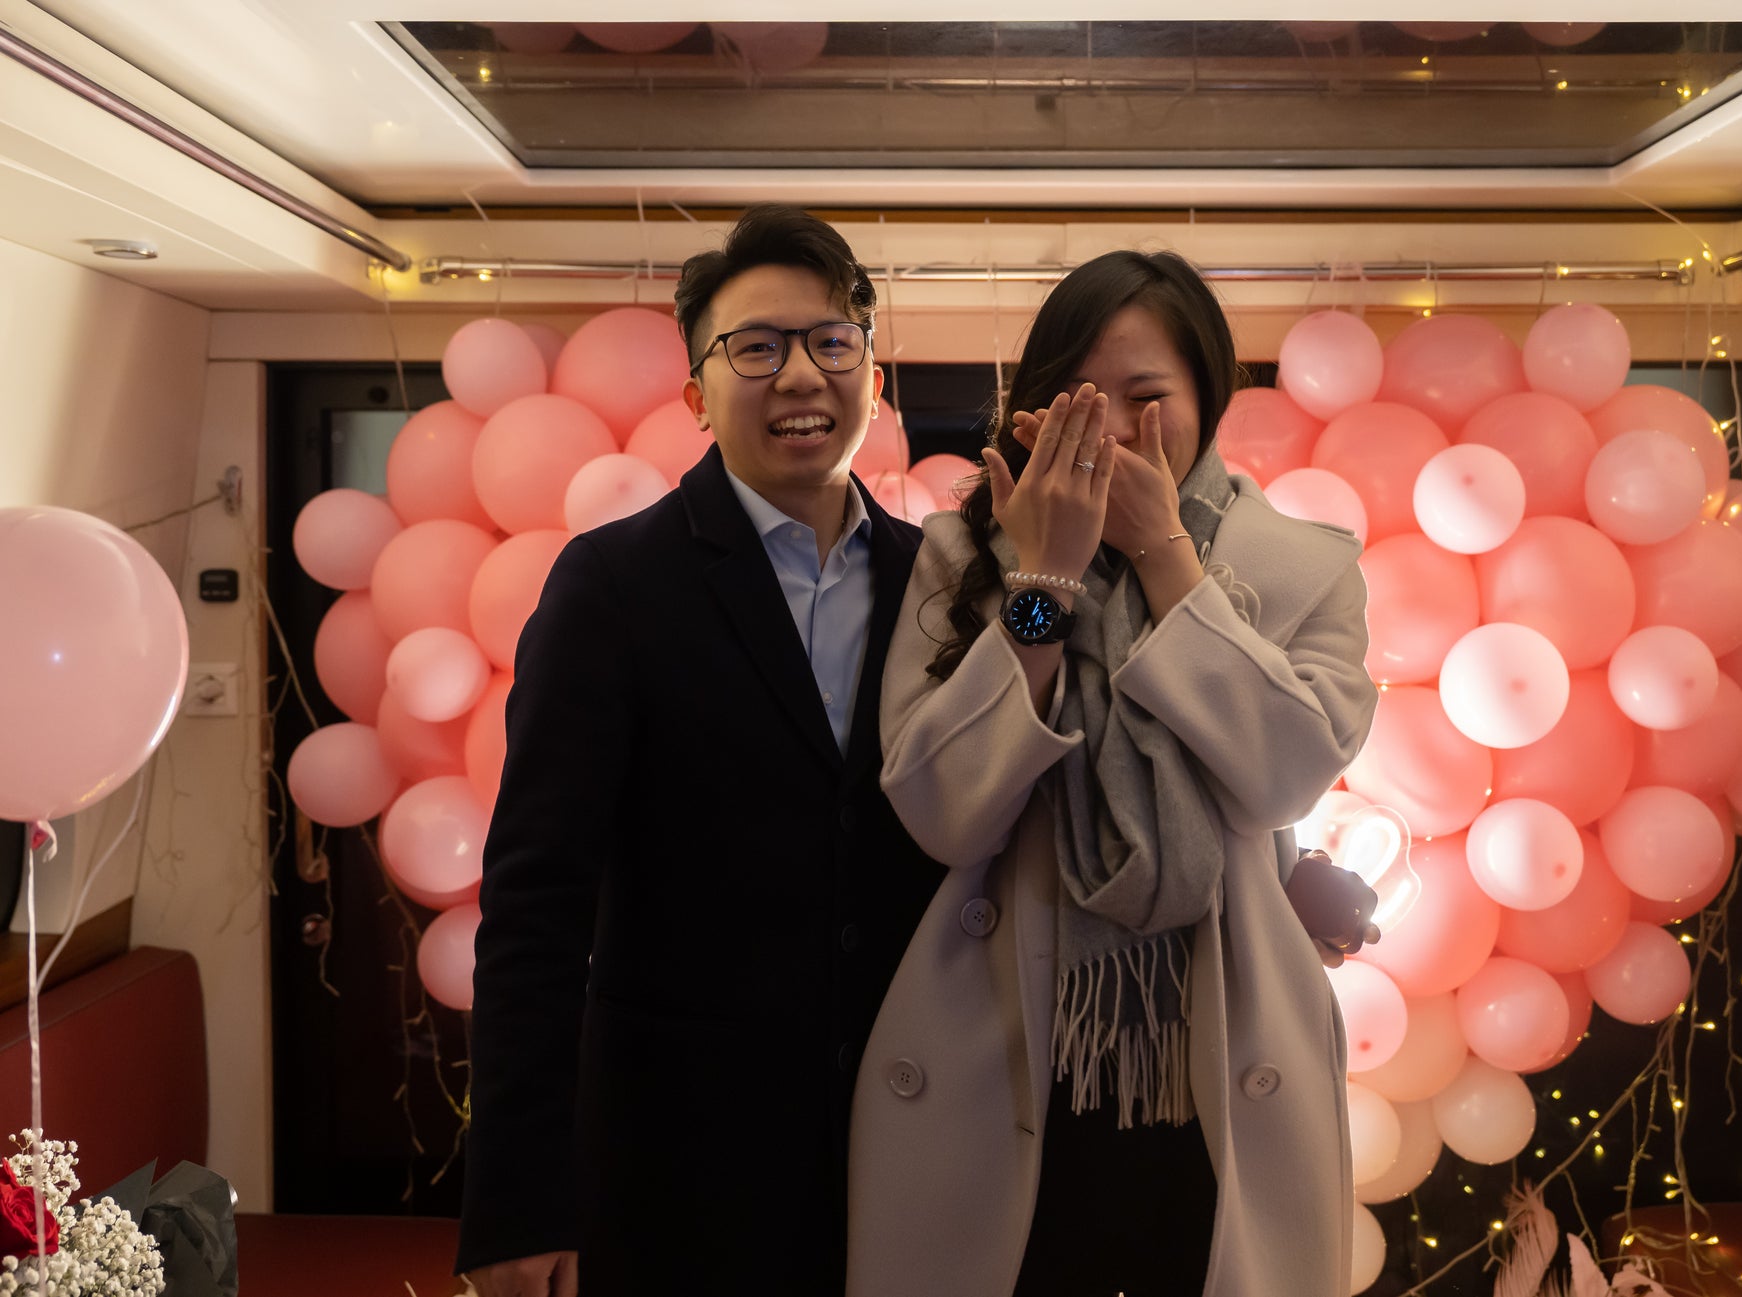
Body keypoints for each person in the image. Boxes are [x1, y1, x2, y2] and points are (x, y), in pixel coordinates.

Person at [848, 250, 1381, 1297]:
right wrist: (1043, 578)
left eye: (1146, 397)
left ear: (1206, 397)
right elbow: (945, 810)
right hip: (1008, 1052)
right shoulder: (961, 554)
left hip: (1222, 1058)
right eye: (1078, 399)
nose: (1113, 431)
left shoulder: (1304, 567)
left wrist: (1163, 555)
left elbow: (1282, 775)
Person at [456, 205, 944, 1296]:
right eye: (756, 347)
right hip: (681, 1164)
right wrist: (518, 1202)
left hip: (915, 1149)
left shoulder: (941, 580)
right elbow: (534, 906)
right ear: (696, 396)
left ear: (872, 378)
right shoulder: (612, 586)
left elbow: (1023, 723)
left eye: (832, 342)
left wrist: (1048, 585)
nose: (801, 374)